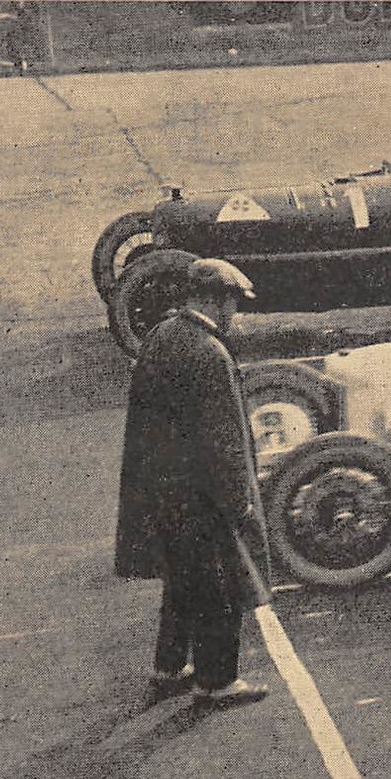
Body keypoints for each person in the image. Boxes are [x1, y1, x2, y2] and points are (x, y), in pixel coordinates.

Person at [114, 258, 272, 708]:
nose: (235, 314)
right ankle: (217, 681)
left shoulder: (162, 336)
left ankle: (169, 667)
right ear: (216, 300)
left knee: (181, 584)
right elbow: (224, 439)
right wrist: (239, 500)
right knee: (219, 589)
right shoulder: (209, 353)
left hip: (162, 492)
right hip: (202, 497)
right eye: (233, 303)